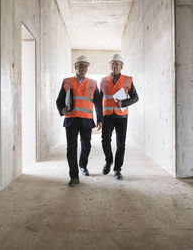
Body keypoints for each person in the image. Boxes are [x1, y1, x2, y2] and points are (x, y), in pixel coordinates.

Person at [56, 55, 103, 187]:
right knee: (71, 148)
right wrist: (62, 109)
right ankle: (74, 176)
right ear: (75, 67)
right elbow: (59, 100)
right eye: (80, 65)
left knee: (86, 146)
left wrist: (100, 119)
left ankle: (83, 165)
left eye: (85, 66)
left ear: (87, 68)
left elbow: (98, 103)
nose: (83, 68)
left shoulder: (93, 83)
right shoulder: (67, 82)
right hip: (71, 119)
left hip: (86, 120)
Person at [100, 54, 139, 180]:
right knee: (105, 141)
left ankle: (117, 169)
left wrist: (125, 103)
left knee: (121, 144)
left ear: (121, 66)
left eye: (117, 64)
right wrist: (99, 118)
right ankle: (109, 160)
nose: (114, 66)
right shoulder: (103, 80)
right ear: (109, 66)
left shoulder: (128, 80)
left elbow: (135, 97)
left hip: (122, 116)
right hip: (107, 116)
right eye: (112, 63)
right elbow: (99, 99)